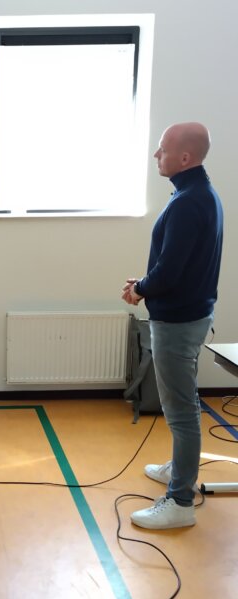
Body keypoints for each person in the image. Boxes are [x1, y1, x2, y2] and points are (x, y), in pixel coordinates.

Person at [122, 122, 223, 529]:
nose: (155, 155)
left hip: (178, 321)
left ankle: (181, 501)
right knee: (182, 405)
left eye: (162, 149)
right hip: (191, 314)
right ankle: (180, 469)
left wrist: (140, 289)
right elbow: (177, 265)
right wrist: (147, 284)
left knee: (180, 411)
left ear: (184, 157)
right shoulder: (201, 194)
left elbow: (169, 271)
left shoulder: (187, 203)